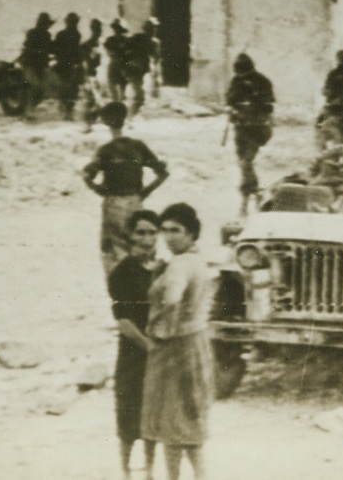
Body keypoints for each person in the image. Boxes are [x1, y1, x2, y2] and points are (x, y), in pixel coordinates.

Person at [142, 203, 214, 480]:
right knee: (188, 420)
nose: (169, 236)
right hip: (196, 342)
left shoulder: (180, 265)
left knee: (172, 421)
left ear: (192, 233)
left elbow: (172, 299)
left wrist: (163, 328)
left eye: (177, 230)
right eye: (165, 230)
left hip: (176, 347)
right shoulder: (196, 260)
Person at [82, 101, 169, 276]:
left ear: (106, 122)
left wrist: (99, 190)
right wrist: (144, 193)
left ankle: (119, 287)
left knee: (113, 249)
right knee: (139, 242)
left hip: (113, 203)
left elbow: (86, 175)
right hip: (135, 201)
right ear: (124, 118)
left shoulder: (106, 150)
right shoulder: (138, 146)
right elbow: (163, 173)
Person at [107, 209, 162, 479]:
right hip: (133, 353)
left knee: (153, 413)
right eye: (141, 232)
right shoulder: (122, 272)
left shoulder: (162, 269)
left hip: (160, 351)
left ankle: (150, 471)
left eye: (152, 232)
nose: (147, 238)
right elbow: (124, 321)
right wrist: (148, 346)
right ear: (130, 235)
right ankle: (126, 472)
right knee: (128, 412)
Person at [226, 54, 275, 217]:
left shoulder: (262, 81)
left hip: (257, 129)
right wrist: (236, 107)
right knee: (243, 163)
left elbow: (269, 106)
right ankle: (255, 191)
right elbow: (229, 100)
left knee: (246, 162)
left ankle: (245, 200)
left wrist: (253, 95)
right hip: (241, 128)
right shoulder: (236, 81)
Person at [17, 12, 55, 115]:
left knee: (42, 89)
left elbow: (50, 48)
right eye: (45, 24)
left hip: (41, 65)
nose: (46, 26)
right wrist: (40, 51)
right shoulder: (32, 33)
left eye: (47, 24)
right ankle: (28, 111)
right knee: (33, 85)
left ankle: (30, 108)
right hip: (30, 64)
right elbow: (28, 47)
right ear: (41, 23)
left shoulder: (47, 35)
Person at [50, 12, 83, 121]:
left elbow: (54, 49)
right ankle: (67, 113)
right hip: (70, 64)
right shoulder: (77, 34)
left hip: (64, 64)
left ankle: (66, 112)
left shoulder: (62, 34)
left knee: (66, 88)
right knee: (71, 89)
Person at [124, 21, 156, 116]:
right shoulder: (138, 38)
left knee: (137, 94)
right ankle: (129, 116)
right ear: (146, 29)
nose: (152, 31)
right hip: (133, 69)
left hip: (138, 70)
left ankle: (131, 115)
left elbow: (153, 55)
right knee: (138, 96)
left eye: (152, 29)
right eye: (150, 29)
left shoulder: (149, 41)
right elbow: (126, 48)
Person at [80, 18, 106, 131]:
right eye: (96, 28)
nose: (98, 31)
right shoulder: (87, 45)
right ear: (92, 29)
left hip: (102, 75)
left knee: (97, 99)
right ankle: (88, 124)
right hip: (92, 75)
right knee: (92, 99)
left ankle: (91, 123)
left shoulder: (103, 44)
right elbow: (86, 62)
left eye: (99, 28)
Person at [105, 20, 131, 104]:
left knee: (123, 83)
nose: (117, 31)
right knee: (112, 83)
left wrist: (121, 52)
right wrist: (115, 52)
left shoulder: (126, 40)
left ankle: (122, 101)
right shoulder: (110, 39)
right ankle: (115, 101)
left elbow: (129, 51)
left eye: (119, 29)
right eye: (115, 29)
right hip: (114, 62)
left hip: (123, 63)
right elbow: (108, 51)